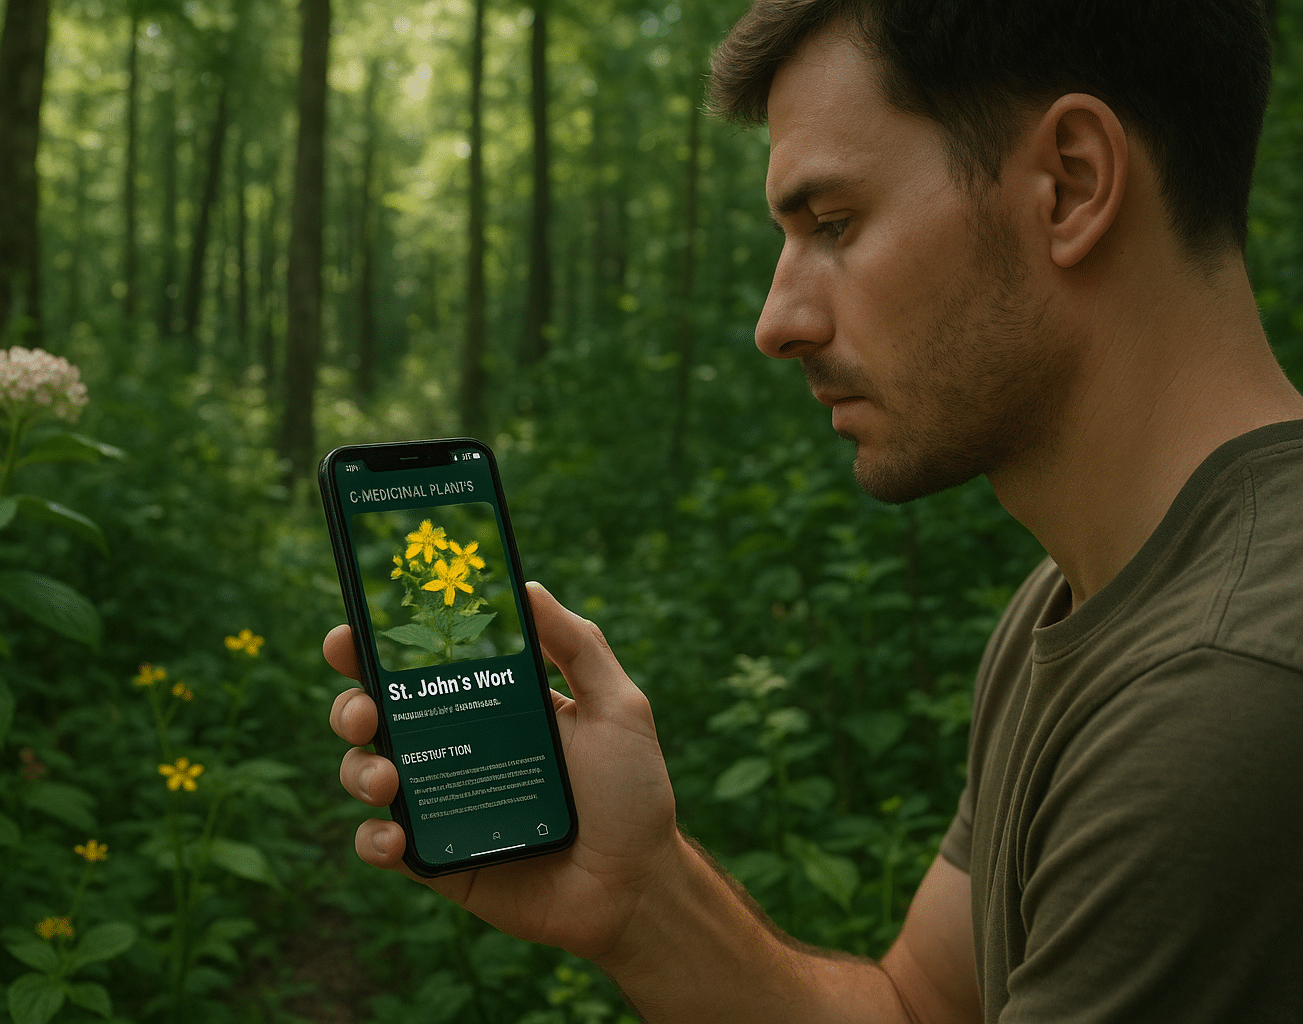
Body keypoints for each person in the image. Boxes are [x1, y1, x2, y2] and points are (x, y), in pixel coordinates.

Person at [326, 0, 1303, 1019]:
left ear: (1071, 184)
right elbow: (920, 1004)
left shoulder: (1227, 689)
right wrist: (643, 899)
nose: (776, 322)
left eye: (833, 223)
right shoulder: (1078, 601)